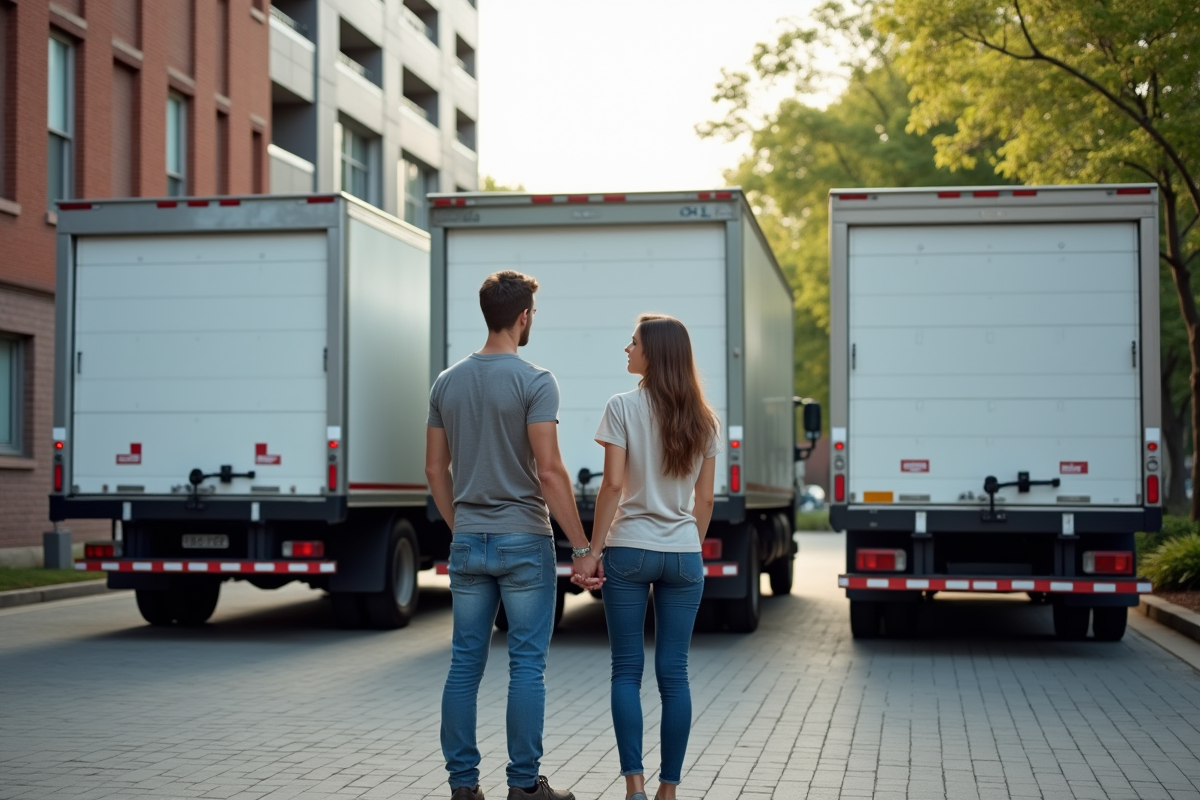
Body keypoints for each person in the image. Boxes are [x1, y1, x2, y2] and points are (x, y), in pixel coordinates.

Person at [426, 270, 599, 800]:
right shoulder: (535, 381)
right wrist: (583, 546)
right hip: (525, 540)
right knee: (527, 665)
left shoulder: (446, 381)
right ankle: (524, 787)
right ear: (523, 316)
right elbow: (550, 472)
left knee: (464, 663)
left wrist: (464, 530)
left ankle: (463, 788)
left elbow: (436, 471)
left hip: (470, 540)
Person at [572, 314, 720, 800]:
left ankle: (634, 785)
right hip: (683, 555)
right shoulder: (704, 419)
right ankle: (669, 790)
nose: (626, 349)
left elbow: (612, 486)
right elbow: (705, 501)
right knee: (674, 675)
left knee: (626, 671)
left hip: (630, 550)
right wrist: (688, 546)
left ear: (653, 353)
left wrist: (593, 553)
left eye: (632, 342)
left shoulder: (622, 407)